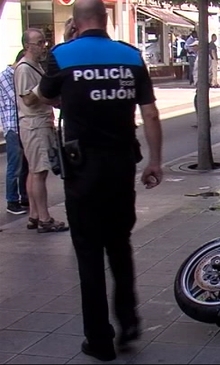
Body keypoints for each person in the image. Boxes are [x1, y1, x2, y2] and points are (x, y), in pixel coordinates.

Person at [36, 0, 163, 360]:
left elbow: (45, 97)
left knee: (88, 254)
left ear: (76, 23)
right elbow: (150, 113)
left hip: (82, 170)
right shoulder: (130, 55)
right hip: (121, 167)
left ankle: (99, 340)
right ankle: (130, 321)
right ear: (106, 20)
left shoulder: (62, 55)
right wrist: (155, 161)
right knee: (120, 246)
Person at [14, 28, 69, 232]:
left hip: (38, 122)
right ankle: (44, 218)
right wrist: (44, 88)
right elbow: (27, 98)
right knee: (39, 172)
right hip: (34, 124)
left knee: (33, 171)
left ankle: (34, 215)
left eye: (44, 42)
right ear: (27, 45)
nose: (43, 46)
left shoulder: (35, 66)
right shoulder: (25, 68)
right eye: (39, 42)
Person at [1, 50, 29, 215]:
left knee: (25, 164)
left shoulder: (18, 74)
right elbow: (19, 98)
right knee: (14, 165)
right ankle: (12, 200)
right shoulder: (6, 76)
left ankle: (24, 196)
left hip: (22, 124)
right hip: (12, 126)